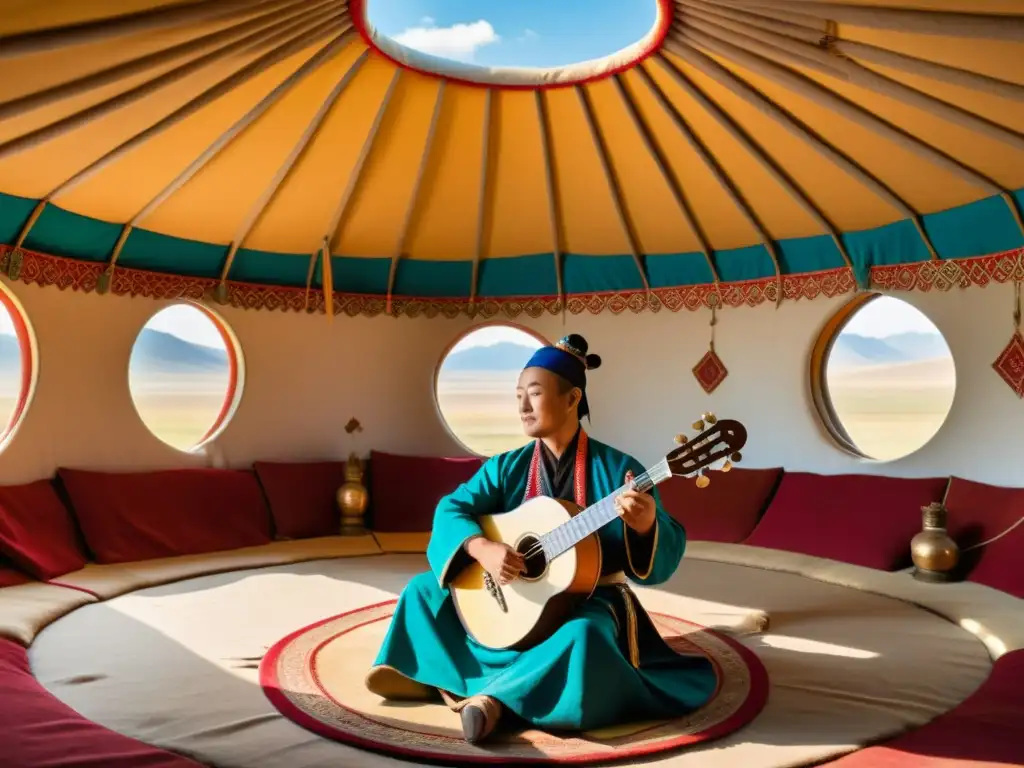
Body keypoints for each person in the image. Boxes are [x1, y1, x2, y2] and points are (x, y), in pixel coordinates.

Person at [365, 334, 716, 743]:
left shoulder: (622, 471)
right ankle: (485, 683)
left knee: (585, 640)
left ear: (572, 399)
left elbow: (662, 552)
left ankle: (490, 697)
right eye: (518, 395)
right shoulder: (506, 468)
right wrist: (482, 547)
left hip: (585, 601)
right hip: (513, 599)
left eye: (533, 393)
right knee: (423, 591)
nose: (522, 406)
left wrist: (645, 526)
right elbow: (450, 509)